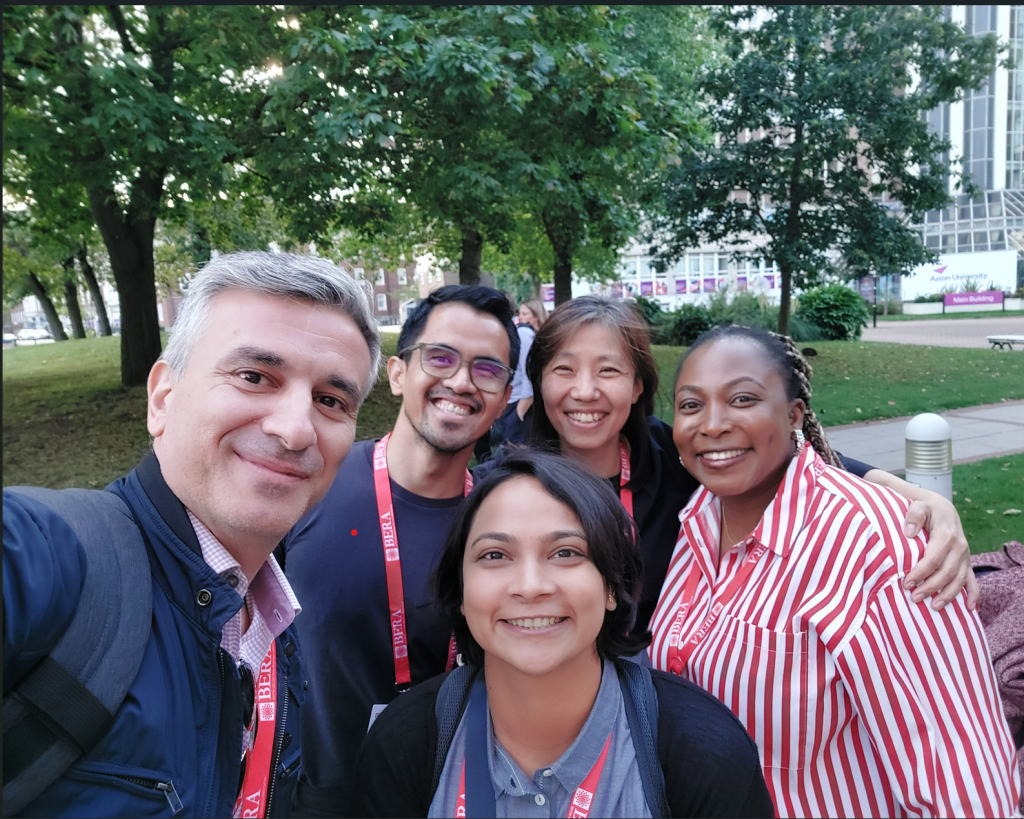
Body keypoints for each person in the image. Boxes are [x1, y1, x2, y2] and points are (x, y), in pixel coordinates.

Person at [2, 251, 381, 817]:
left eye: (331, 400)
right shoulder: (46, 559)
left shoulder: (277, 634)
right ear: (162, 398)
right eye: (254, 377)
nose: (296, 429)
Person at [648, 325, 1019, 816]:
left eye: (742, 399)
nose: (713, 424)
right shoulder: (697, 517)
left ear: (794, 414)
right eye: (691, 405)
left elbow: (961, 782)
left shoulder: (874, 544)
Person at [510, 295, 976, 635]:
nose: (585, 391)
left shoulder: (667, 455)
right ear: (540, 381)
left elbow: (792, 459)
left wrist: (923, 498)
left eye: (608, 370)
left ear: (637, 387)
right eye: (564, 370)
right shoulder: (508, 488)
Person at [351, 450, 774, 818]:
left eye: (566, 552)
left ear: (611, 586)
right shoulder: (405, 744)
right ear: (460, 591)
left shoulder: (698, 753)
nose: (531, 585)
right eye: (495, 554)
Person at [284, 285, 519, 817]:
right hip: (310, 796)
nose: (460, 381)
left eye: (487, 369)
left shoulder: (506, 520)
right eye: (440, 358)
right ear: (396, 374)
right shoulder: (311, 476)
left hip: (444, 790)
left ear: (504, 399)